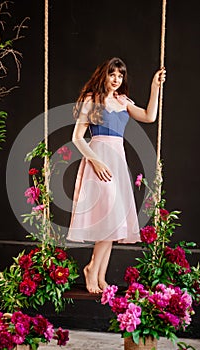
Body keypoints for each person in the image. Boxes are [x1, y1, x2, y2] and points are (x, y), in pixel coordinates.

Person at [67, 57, 166, 294]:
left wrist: (155, 87)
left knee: (114, 219)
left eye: (120, 76)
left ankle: (100, 276)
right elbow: (77, 138)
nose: (116, 80)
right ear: (104, 75)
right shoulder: (93, 99)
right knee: (108, 216)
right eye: (112, 74)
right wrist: (95, 161)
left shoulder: (123, 101)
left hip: (117, 161)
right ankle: (91, 269)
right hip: (99, 160)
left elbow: (149, 116)